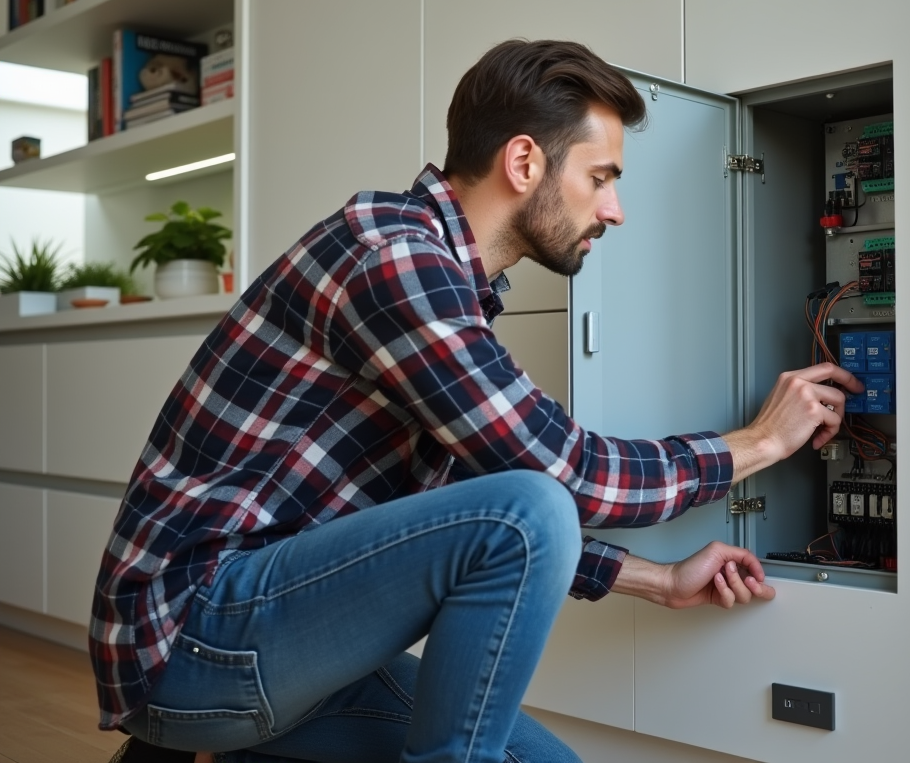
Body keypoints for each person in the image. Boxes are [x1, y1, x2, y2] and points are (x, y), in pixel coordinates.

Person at [93, 39, 863, 763]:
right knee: (533, 504)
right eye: (600, 178)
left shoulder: (443, 283)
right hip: (194, 640)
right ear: (524, 162)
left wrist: (655, 581)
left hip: (280, 641)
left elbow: (462, 501)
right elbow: (563, 477)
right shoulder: (394, 257)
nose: (614, 210)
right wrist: (760, 442)